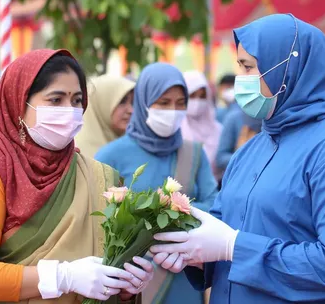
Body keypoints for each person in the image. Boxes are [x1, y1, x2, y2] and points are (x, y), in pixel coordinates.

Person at [149, 14, 325, 303]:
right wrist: (193, 250)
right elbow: (225, 228)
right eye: (238, 67)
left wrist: (233, 247)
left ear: (287, 70)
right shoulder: (253, 149)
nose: (241, 80)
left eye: (248, 67)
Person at [0, 49, 153, 303]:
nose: (70, 109)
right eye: (56, 100)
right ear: (19, 103)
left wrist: (126, 286)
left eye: (76, 100)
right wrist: (64, 277)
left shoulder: (97, 175)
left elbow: (106, 270)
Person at [96, 63, 218, 304]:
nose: (173, 110)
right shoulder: (110, 156)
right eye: (163, 102)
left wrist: (167, 211)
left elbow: (215, 206)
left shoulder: (193, 153)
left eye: (180, 102)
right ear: (143, 103)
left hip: (184, 273)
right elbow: (99, 220)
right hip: (130, 281)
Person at [75, 75, 136, 158]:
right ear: (101, 104)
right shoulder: (78, 154)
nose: (131, 110)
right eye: (122, 101)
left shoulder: (134, 148)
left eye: (133, 102)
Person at [181, 70, 223, 172]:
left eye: (202, 96)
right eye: (192, 95)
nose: (197, 101)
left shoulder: (218, 130)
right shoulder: (175, 129)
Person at [214, 109, 261, 186]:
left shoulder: (273, 122)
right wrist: (245, 158)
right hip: (238, 181)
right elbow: (220, 158)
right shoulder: (235, 118)